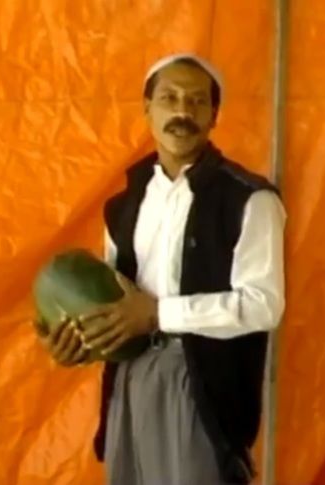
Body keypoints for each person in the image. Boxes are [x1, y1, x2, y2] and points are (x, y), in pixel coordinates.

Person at [35, 53, 286, 484]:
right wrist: (77, 341)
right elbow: (113, 301)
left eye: (197, 101)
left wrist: (158, 314)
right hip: (129, 377)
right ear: (147, 108)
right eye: (169, 98)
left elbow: (264, 305)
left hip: (200, 384)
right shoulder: (123, 206)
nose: (182, 111)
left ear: (214, 116)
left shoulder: (249, 200)